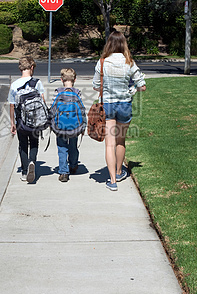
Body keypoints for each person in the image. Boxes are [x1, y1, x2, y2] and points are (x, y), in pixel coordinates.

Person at [92, 30, 146, 191]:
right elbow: (142, 86)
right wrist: (131, 90)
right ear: (123, 44)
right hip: (124, 105)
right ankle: (119, 170)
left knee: (109, 144)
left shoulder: (102, 62)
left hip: (107, 105)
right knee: (121, 141)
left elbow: (95, 86)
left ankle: (112, 181)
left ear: (109, 43)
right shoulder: (129, 62)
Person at [8, 56, 45, 183]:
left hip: (21, 121)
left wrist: (12, 122)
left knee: (23, 145)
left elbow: (12, 105)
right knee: (34, 143)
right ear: (32, 67)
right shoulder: (37, 82)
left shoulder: (14, 85)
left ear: (20, 68)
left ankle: (24, 172)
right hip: (35, 121)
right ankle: (32, 161)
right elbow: (42, 101)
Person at [51, 68, 83, 182]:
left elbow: (53, 109)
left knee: (62, 148)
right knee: (73, 146)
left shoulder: (57, 92)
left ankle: (63, 172)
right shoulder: (77, 92)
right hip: (74, 126)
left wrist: (51, 124)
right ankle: (73, 165)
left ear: (61, 79)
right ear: (75, 79)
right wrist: (83, 126)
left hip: (60, 126)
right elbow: (81, 110)